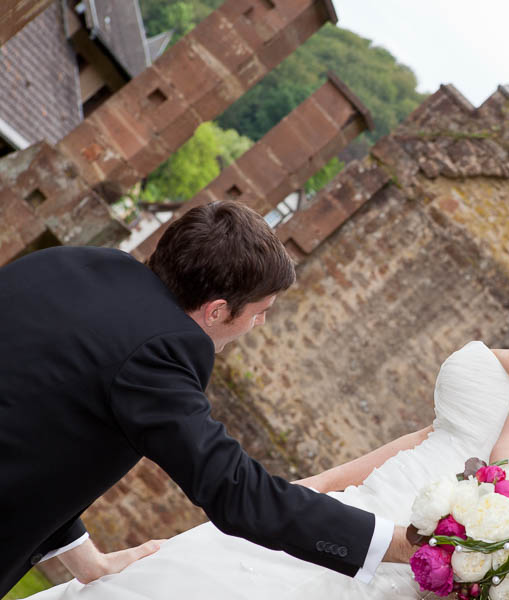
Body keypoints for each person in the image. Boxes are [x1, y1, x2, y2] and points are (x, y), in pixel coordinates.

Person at [27, 229, 509, 599]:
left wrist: (456, 542)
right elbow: (427, 436)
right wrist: (312, 490)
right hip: (384, 497)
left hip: (409, 525)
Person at [0, 201, 416, 597]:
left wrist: (88, 561)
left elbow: (40, 425)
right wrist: (395, 545)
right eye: (259, 310)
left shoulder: (67, 264)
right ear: (217, 311)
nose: (260, 322)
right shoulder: (159, 353)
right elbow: (236, 491)